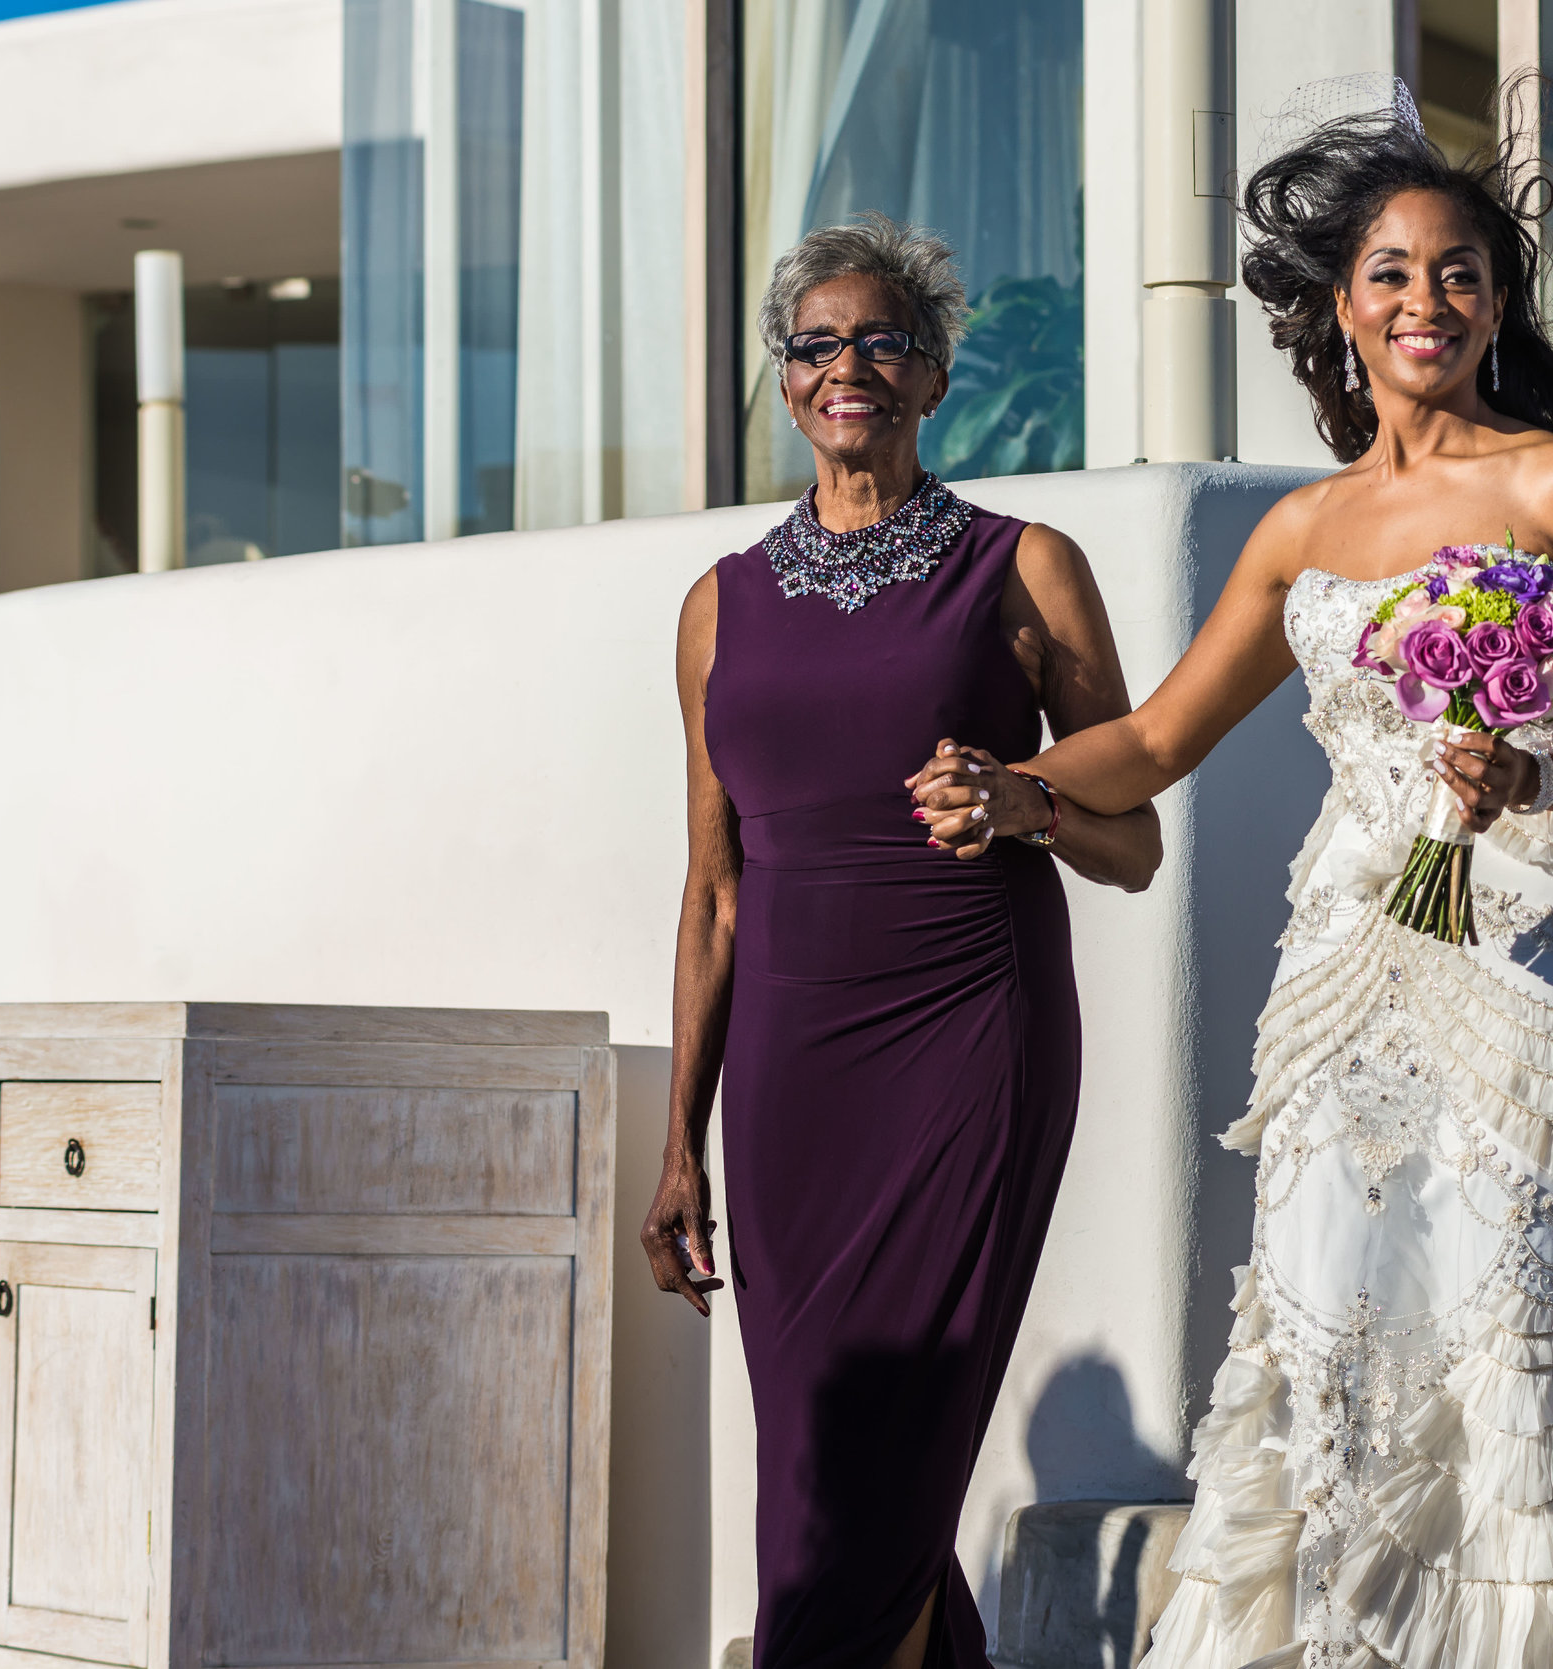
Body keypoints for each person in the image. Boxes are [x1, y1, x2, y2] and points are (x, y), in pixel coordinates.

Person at [913, 94, 1553, 1669]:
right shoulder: (1304, 526)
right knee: (1330, 1323)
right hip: (1350, 952)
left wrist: (1533, 773)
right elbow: (1149, 740)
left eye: (1462, 272)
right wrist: (1021, 793)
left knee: (1507, 1319)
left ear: (1497, 302)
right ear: (1341, 306)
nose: (1429, 303)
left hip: (1529, 944)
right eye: (1394, 274)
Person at [639, 213, 1162, 1669]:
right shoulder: (716, 609)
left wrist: (1026, 803)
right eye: (816, 343)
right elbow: (714, 889)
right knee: (830, 1472)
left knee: (869, 1485)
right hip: (790, 1083)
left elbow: (1137, 840)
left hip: (966, 1049)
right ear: (786, 380)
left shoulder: (1024, 569)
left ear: (935, 376)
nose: (848, 364)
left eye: (885, 339)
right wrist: (682, 1138)